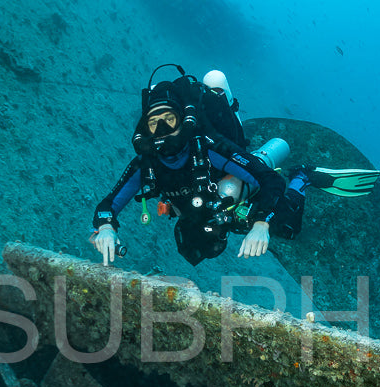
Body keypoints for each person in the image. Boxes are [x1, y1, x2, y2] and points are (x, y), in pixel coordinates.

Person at [90, 65, 307, 266]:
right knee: (191, 248)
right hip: (200, 207)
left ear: (183, 119)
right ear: (146, 129)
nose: (163, 128)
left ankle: (303, 177)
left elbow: (270, 179)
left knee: (287, 227)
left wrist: (261, 223)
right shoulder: (146, 163)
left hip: (233, 189)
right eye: (155, 123)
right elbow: (107, 205)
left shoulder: (208, 148)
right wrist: (106, 227)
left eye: (170, 119)